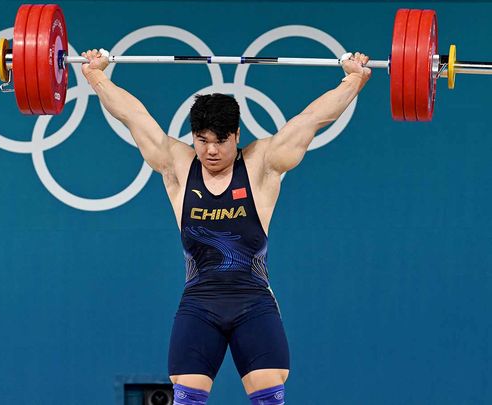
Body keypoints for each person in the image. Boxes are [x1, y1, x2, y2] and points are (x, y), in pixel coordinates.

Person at [81, 48, 371, 404]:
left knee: (269, 398)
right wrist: (96, 75)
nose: (211, 151)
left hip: (253, 303)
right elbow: (133, 116)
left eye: (220, 141)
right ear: (193, 138)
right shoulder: (178, 165)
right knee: (186, 398)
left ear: (236, 135)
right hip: (199, 305)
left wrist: (353, 79)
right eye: (202, 141)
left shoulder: (263, 163)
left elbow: (311, 119)